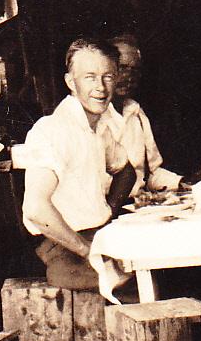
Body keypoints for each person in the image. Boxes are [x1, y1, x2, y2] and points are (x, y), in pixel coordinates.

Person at [20, 37, 135, 291]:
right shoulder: (54, 129)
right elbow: (35, 208)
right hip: (63, 248)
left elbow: (127, 172)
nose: (101, 88)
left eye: (107, 77)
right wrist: (85, 250)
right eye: (89, 77)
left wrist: (110, 212)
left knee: (153, 269)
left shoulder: (100, 128)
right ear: (71, 82)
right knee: (137, 289)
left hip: (96, 237)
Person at [109, 33, 184, 195]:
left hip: (137, 208)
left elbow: (151, 173)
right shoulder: (94, 118)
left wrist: (181, 183)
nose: (128, 76)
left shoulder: (137, 114)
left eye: (134, 70)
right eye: (122, 68)